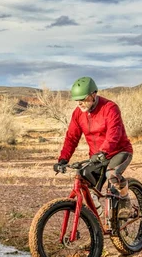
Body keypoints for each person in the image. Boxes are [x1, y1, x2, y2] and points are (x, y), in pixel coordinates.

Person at [54, 76, 133, 218]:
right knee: (85, 180)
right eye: (77, 100)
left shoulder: (110, 108)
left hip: (119, 151)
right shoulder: (78, 114)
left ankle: (125, 200)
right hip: (97, 157)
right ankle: (98, 221)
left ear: (93, 94)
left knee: (112, 175)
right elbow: (71, 137)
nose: (80, 103)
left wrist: (104, 151)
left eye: (83, 99)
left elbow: (114, 133)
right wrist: (63, 159)